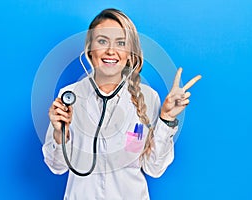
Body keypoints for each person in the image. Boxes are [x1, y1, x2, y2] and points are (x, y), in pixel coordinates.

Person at [42, 8, 201, 200]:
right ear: (90, 49)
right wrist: (60, 133)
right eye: (102, 41)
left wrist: (167, 119)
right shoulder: (69, 95)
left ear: (130, 53)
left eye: (120, 43)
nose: (111, 51)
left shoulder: (149, 97)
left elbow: (154, 169)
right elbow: (57, 167)